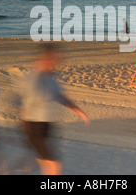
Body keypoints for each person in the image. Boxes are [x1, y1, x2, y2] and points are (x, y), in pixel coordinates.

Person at [20, 43, 90, 175]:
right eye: (54, 58)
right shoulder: (35, 78)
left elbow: (59, 96)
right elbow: (25, 107)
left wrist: (77, 110)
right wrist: (27, 134)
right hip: (34, 126)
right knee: (55, 165)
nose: (57, 61)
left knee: (47, 164)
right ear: (46, 58)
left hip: (47, 125)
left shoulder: (51, 76)